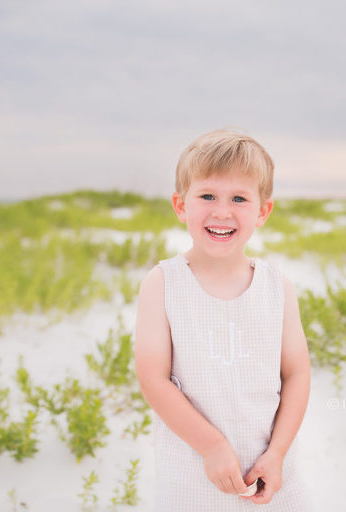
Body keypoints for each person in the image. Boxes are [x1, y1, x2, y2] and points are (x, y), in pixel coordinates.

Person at [134, 129, 314, 511]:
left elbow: (297, 373)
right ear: (181, 205)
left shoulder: (276, 286)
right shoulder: (163, 284)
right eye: (207, 196)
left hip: (270, 470)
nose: (222, 211)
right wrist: (212, 447)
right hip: (194, 471)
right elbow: (153, 379)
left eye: (239, 198)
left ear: (262, 211)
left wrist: (278, 452)